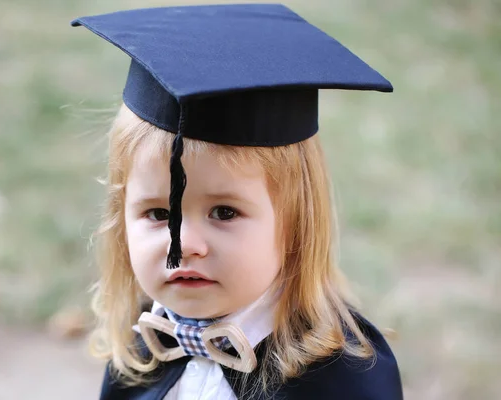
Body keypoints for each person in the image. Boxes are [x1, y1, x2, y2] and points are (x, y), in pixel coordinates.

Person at [71, 3, 403, 399]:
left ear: (296, 223)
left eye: (224, 212)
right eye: (159, 214)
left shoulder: (341, 379)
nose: (185, 246)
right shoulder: (141, 351)